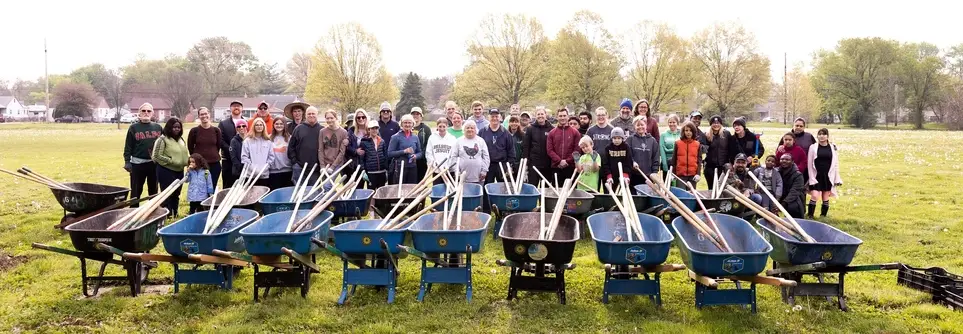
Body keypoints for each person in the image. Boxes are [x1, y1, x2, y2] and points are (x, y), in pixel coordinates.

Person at [123, 103, 162, 208]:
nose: (146, 113)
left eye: (148, 111)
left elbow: (163, 145)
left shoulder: (158, 127)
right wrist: (127, 162)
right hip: (137, 164)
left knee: (153, 190)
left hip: (153, 164)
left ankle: (153, 211)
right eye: (143, 111)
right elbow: (128, 146)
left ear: (152, 113)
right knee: (136, 191)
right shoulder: (133, 128)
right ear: (139, 113)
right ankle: (133, 211)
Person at [151, 117, 190, 218]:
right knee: (167, 194)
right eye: (174, 127)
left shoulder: (181, 140)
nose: (177, 129)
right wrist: (171, 161)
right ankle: (166, 214)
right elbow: (156, 156)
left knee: (176, 194)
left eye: (179, 127)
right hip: (166, 171)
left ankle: (174, 213)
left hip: (179, 170)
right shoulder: (162, 139)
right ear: (169, 127)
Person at [807, 128, 843, 218]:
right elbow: (809, 164)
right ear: (817, 136)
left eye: (824, 134)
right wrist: (811, 178)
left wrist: (837, 178)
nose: (822, 136)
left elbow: (835, 163)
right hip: (816, 175)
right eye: (820, 134)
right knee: (814, 195)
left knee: (825, 197)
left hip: (827, 175)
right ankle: (810, 215)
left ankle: (823, 216)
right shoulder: (813, 147)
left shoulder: (832, 147)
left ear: (827, 136)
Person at [187, 107, 223, 189]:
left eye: (205, 113)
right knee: (200, 188)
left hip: (214, 164)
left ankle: (210, 202)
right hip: (200, 165)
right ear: (199, 116)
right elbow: (190, 148)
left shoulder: (216, 130)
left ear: (209, 114)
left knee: (211, 188)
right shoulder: (194, 131)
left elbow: (218, 146)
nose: (204, 116)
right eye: (201, 114)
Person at [479, 108, 516, 185]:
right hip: (488, 165)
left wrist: (509, 166)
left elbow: (511, 151)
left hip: (502, 165)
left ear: (500, 117)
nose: (494, 118)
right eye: (492, 116)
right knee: (487, 188)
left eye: (496, 116)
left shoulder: (506, 133)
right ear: (488, 118)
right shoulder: (482, 132)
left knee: (503, 188)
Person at [288, 106, 322, 185]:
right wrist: (295, 162)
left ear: (317, 115)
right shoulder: (298, 129)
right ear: (305, 115)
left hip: (315, 168)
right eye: (309, 114)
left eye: (313, 114)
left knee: (313, 192)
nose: (311, 115)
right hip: (299, 167)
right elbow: (291, 147)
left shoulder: (322, 130)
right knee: (298, 192)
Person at [546, 107, 580, 187]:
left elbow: (577, 150)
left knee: (571, 194)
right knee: (557, 192)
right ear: (557, 117)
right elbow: (549, 150)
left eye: (564, 115)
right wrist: (559, 161)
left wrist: (567, 161)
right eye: (560, 116)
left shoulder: (575, 132)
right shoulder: (552, 133)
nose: (562, 118)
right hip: (556, 167)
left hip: (570, 167)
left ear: (568, 116)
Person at [387, 114, 422, 184]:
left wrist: (416, 156)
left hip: (412, 167)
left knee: (411, 189)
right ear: (401, 124)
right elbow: (390, 153)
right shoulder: (395, 137)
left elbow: (420, 152)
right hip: (400, 167)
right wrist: (404, 151)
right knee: (400, 189)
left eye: (409, 123)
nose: (407, 125)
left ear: (412, 124)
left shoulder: (415, 137)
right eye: (405, 122)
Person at [626, 116, 660, 188]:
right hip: (634, 175)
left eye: (642, 124)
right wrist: (632, 162)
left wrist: (654, 173)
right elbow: (627, 155)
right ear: (634, 127)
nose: (640, 127)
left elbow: (655, 158)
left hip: (648, 175)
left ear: (646, 125)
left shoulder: (652, 141)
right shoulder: (630, 139)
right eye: (638, 125)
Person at [218, 100, 245, 188]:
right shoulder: (223, 124)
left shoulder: (247, 122)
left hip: (243, 161)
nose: (236, 107)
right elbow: (220, 140)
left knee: (243, 186)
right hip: (228, 160)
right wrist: (231, 150)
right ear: (230, 109)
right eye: (234, 106)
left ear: (242, 109)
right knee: (228, 186)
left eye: (238, 106)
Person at [522, 106, 552, 185]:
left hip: (547, 164)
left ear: (545, 115)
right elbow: (526, 146)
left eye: (542, 114)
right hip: (534, 164)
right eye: (538, 114)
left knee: (546, 188)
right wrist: (526, 161)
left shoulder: (551, 129)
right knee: (532, 186)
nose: (540, 116)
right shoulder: (530, 129)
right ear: (535, 116)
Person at [242, 118, 274, 187]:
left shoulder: (268, 142)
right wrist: (253, 169)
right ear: (253, 127)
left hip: (264, 175)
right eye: (257, 125)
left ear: (263, 126)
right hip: (250, 175)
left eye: (261, 125)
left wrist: (264, 168)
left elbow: (271, 157)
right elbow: (244, 157)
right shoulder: (247, 141)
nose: (259, 126)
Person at [587, 107, 613, 188]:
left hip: (608, 164)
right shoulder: (591, 130)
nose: (601, 117)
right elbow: (586, 147)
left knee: (608, 189)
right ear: (595, 116)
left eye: (603, 115)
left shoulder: (612, 130)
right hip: (594, 163)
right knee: (594, 188)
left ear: (606, 116)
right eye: (598, 115)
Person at [426, 117, 457, 185]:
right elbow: (429, 152)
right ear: (437, 126)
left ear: (447, 126)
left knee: (449, 189)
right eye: (440, 126)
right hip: (436, 169)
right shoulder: (432, 137)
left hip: (448, 169)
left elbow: (454, 153)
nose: (442, 129)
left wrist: (450, 165)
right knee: (438, 189)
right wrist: (433, 163)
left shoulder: (452, 138)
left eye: (444, 126)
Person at [318, 109, 349, 175]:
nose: (329, 120)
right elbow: (320, 150)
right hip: (325, 164)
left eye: (331, 118)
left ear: (336, 118)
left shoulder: (343, 132)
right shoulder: (322, 131)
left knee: (327, 185)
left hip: (336, 164)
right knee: (324, 185)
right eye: (327, 118)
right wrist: (322, 166)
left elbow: (342, 152)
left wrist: (333, 167)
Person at [703, 115, 730, 188]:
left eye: (718, 123)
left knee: (721, 188)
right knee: (711, 188)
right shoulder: (706, 135)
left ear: (721, 124)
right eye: (714, 123)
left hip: (723, 167)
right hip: (710, 167)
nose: (716, 125)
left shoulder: (726, 134)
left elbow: (730, 148)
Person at [360, 120, 389, 188]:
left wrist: (386, 170)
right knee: (371, 194)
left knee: (381, 193)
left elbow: (385, 156)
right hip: (370, 173)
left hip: (382, 172)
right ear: (369, 130)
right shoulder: (364, 142)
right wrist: (363, 171)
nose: (374, 130)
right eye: (372, 128)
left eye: (376, 128)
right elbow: (361, 159)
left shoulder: (382, 141)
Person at [673, 121, 702, 189]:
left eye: (690, 130)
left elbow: (699, 161)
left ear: (693, 132)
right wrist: (673, 174)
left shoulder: (697, 144)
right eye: (686, 130)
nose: (688, 132)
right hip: (680, 175)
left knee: (691, 195)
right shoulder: (678, 143)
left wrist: (698, 174)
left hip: (693, 176)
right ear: (683, 131)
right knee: (681, 195)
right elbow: (674, 160)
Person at [778, 153, 806, 218]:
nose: (784, 161)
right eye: (782, 159)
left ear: (792, 162)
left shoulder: (798, 175)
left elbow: (795, 191)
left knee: (793, 207)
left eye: (787, 159)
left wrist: (784, 203)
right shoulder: (776, 172)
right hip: (779, 195)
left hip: (794, 197)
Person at [788, 117, 816, 181]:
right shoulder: (787, 136)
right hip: (789, 168)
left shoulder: (809, 136)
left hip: (805, 168)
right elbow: (780, 149)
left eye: (801, 126)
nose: (798, 127)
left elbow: (816, 148)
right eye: (797, 125)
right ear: (793, 125)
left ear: (804, 127)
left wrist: (830, 145)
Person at [269, 117, 293, 190]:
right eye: (277, 124)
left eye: (281, 124)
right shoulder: (268, 138)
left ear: (284, 125)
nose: (279, 125)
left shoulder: (290, 138)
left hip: (287, 170)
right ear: (273, 125)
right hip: (273, 171)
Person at [410, 107, 432, 181]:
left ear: (421, 116)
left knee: (421, 182)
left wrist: (420, 155)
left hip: (422, 161)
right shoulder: (407, 127)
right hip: (409, 160)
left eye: (417, 114)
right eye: (413, 114)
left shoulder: (426, 129)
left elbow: (428, 145)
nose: (415, 116)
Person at [346, 109, 369, 174]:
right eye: (358, 117)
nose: (361, 119)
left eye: (363, 117)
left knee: (372, 184)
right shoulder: (351, 131)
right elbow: (347, 147)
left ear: (366, 118)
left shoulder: (371, 129)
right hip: (356, 164)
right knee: (357, 183)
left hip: (369, 163)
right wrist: (355, 151)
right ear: (355, 119)